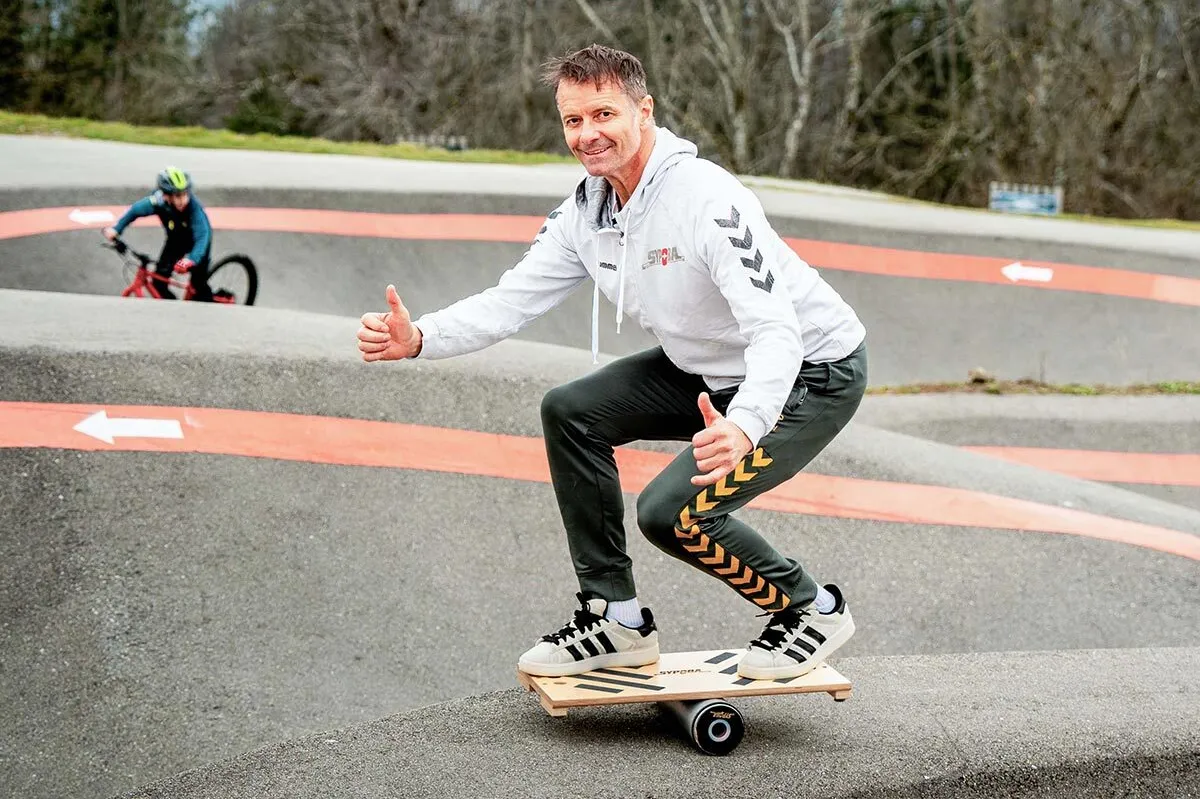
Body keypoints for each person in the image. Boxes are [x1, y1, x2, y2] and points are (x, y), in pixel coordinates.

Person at [357, 44, 868, 681]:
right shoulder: (586, 213)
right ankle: (615, 620)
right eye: (573, 120)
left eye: (604, 114)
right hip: (708, 368)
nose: (588, 135)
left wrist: (745, 424)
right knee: (571, 411)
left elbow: (776, 328)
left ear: (643, 111)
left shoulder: (707, 199)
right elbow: (511, 300)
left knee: (671, 514)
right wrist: (421, 337)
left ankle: (810, 609)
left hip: (809, 373)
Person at [103, 166, 215, 301]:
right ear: (166, 195)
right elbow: (136, 210)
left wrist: (191, 260)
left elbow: (202, 236)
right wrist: (116, 229)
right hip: (176, 241)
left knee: (198, 286)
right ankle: (174, 309)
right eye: (178, 196)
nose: (183, 200)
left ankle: (210, 302)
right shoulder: (159, 202)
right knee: (158, 282)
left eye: (186, 194)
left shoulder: (193, 209)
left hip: (198, 245)